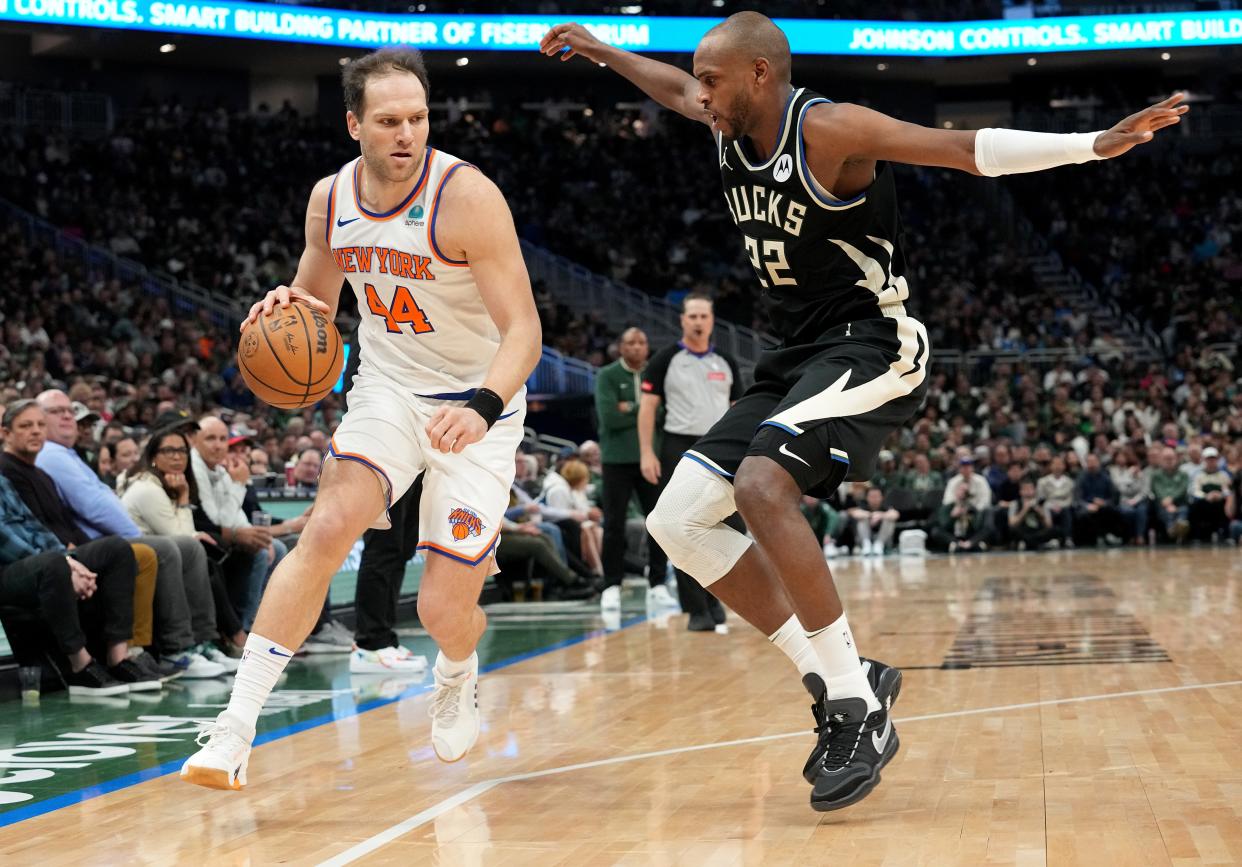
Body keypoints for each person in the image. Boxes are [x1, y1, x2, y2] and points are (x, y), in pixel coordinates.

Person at [542, 11, 1183, 811]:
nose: (698, 94)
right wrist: (601, 51)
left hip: (876, 342)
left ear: (760, 76)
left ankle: (853, 710)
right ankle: (843, 677)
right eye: (699, 81)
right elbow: (669, 85)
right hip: (792, 354)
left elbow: (961, 150)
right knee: (678, 521)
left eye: (713, 80)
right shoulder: (721, 120)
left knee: (761, 487)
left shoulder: (831, 130)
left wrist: (1092, 144)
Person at [182, 45, 541, 790]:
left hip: (480, 403)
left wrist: (480, 409)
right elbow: (316, 305)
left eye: (418, 117)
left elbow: (525, 333)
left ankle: (457, 666)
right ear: (354, 124)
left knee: (446, 607)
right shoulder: (331, 200)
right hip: (389, 388)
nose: (407, 133)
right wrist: (284, 307)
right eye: (388, 121)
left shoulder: (468, 198)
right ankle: (234, 728)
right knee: (324, 526)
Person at [31, 390, 223, 679]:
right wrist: (134, 534)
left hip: (102, 537)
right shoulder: (53, 455)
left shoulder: (68, 454)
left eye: (69, 409)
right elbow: (94, 506)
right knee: (168, 548)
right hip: (95, 542)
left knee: (189, 548)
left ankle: (202, 641)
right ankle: (176, 649)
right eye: (57, 411)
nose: (68, 415)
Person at [639, 293, 743, 630]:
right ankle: (696, 609)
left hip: (721, 447)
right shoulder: (666, 359)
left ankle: (717, 601)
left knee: (729, 524)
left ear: (712, 321)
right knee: (680, 526)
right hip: (678, 447)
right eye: (692, 316)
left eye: (704, 316)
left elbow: (738, 409)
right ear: (683, 320)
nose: (698, 321)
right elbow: (648, 408)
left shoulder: (725, 361)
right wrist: (646, 452)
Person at [593, 327, 668, 610]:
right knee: (613, 524)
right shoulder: (607, 375)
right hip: (616, 460)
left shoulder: (656, 372)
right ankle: (612, 583)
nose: (636, 347)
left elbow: (664, 412)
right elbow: (610, 416)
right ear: (620, 347)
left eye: (641, 342)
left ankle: (658, 582)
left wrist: (630, 408)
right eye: (630, 343)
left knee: (659, 522)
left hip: (652, 458)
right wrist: (646, 409)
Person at [847, 487, 899, 556]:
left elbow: (896, 514)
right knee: (862, 518)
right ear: (867, 498)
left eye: (877, 496)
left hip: (882, 538)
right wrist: (871, 515)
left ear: (882, 497)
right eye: (871, 496)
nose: (874, 499)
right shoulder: (863, 505)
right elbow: (854, 513)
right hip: (866, 536)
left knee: (889, 520)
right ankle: (866, 545)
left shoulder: (886, 505)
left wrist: (881, 515)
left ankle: (879, 544)